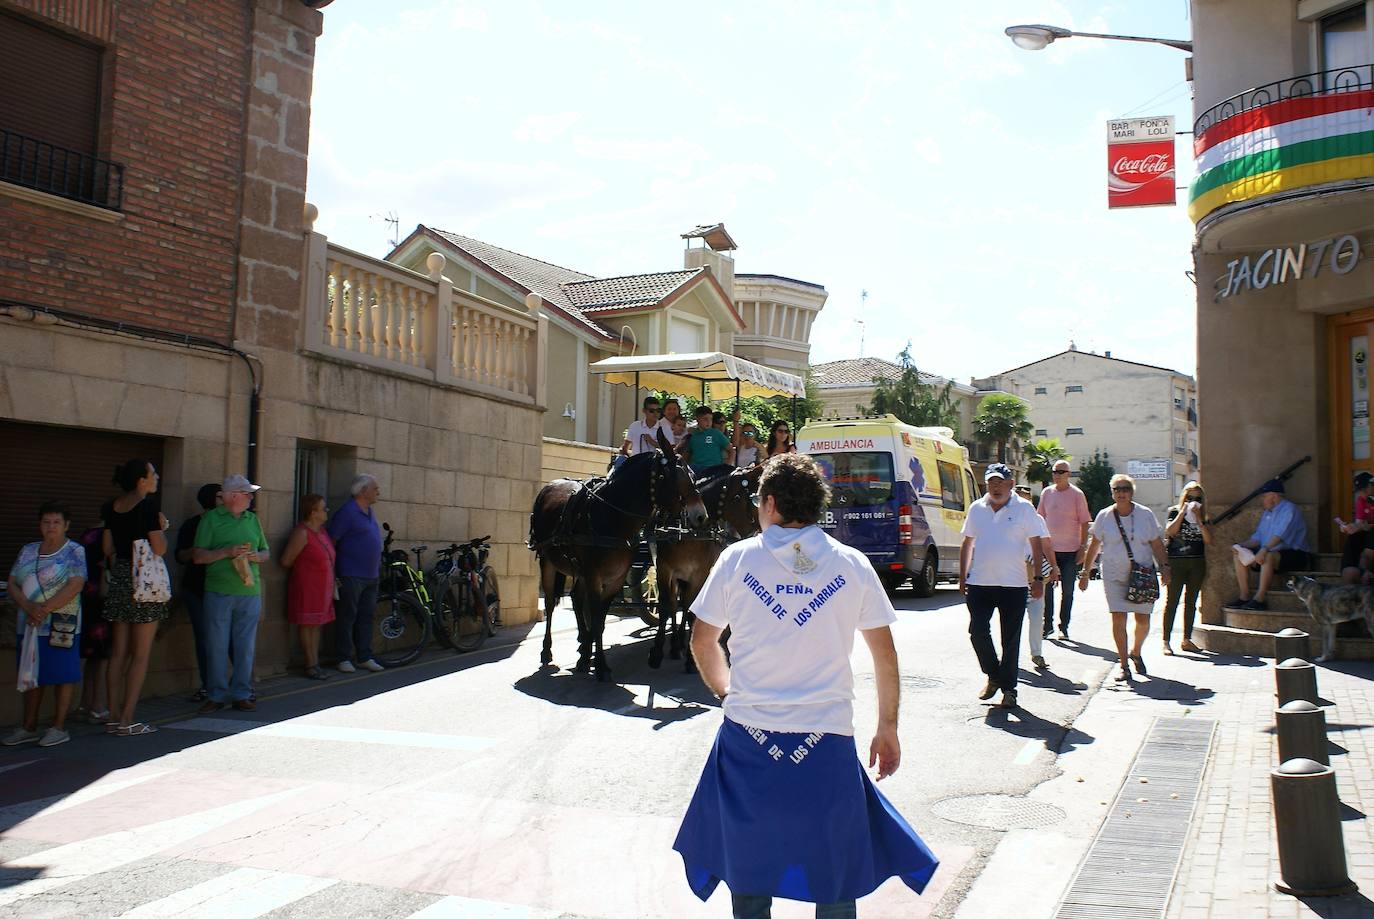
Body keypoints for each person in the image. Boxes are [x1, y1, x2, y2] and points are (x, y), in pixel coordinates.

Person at [675, 453, 939, 915]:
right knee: (833, 870)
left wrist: (726, 692)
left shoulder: (737, 560)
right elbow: (884, 654)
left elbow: (703, 640)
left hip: (748, 739)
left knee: (749, 864)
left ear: (771, 503)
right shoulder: (852, 564)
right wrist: (888, 727)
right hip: (826, 739)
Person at [959, 463, 1046, 709]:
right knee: (977, 631)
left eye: (1000, 482)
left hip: (1014, 584)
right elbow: (968, 542)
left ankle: (1009, 690)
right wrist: (962, 575)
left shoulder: (1024, 509)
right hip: (979, 582)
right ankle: (993, 675)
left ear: (1010, 484)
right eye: (991, 482)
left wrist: (1038, 578)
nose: (995, 487)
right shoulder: (977, 508)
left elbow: (1036, 543)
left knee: (1010, 639)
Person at [4, 502, 86, 747]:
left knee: (62, 673)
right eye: (46, 522)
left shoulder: (75, 551)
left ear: (66, 525)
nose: (51, 527)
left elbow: (76, 584)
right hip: (29, 622)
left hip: (62, 623)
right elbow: (12, 583)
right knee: (30, 674)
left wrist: (44, 609)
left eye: (56, 522)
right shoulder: (28, 550)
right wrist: (30, 608)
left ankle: (58, 726)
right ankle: (28, 726)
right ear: (40, 524)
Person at [102, 458, 170, 736]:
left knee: (118, 653)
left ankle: (113, 716)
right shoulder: (149, 507)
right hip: (144, 581)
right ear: (141, 480)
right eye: (153, 473)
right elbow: (160, 548)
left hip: (119, 576)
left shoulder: (111, 506)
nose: (156, 477)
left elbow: (107, 547)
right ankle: (128, 720)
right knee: (140, 655)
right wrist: (162, 528)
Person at [1079, 474, 1169, 682]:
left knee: (1143, 620)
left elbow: (1156, 544)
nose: (1122, 492)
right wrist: (1085, 572)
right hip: (1113, 574)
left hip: (1142, 574)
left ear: (1132, 491)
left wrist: (1165, 567)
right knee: (1118, 616)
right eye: (1117, 489)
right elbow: (1094, 545)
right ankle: (1123, 664)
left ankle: (1135, 652)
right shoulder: (1104, 516)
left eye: (1125, 488)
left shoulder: (1145, 515)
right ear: (1112, 492)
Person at [193, 474, 269, 712]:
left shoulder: (253, 519)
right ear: (234, 496)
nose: (251, 497)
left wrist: (258, 557)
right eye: (247, 493)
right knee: (216, 645)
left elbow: (266, 551)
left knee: (245, 646)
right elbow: (198, 556)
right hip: (219, 591)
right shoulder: (211, 520)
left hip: (250, 590)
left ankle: (242, 694)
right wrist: (226, 552)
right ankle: (215, 695)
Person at [327, 473, 386, 674]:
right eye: (375, 488)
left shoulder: (369, 511)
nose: (378, 492)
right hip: (350, 574)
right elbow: (332, 542)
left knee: (366, 616)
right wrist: (334, 572)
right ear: (363, 491)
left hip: (370, 574)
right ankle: (343, 657)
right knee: (347, 616)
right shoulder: (347, 512)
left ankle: (364, 656)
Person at [1230, 479, 1310, 611]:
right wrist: (1240, 546)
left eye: (1264, 496)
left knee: (1268, 556)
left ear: (1274, 496)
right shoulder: (1268, 513)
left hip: (1296, 555)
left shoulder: (1290, 509)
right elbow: (1258, 538)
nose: (1262, 500)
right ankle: (1244, 596)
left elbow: (1280, 535)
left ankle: (1260, 599)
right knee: (1239, 555)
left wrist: (1264, 550)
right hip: (1270, 552)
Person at [280, 493, 336, 680]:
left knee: (316, 624)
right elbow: (286, 560)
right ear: (313, 513)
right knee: (307, 624)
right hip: (307, 587)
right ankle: (310, 664)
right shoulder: (302, 532)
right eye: (323, 508)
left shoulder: (322, 531)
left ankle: (315, 662)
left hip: (322, 588)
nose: (326, 511)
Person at [175, 483, 221, 701]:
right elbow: (180, 556)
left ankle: (242, 684)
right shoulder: (192, 525)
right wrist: (196, 551)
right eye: (221, 496)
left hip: (224, 589)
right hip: (196, 589)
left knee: (231, 638)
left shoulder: (231, 523)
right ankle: (208, 685)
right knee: (204, 638)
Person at [1037, 460, 1091, 641]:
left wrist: (1083, 548)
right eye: (1054, 471)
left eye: (1061, 471)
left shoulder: (1077, 494)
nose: (1057, 474)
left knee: (1067, 591)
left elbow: (1085, 522)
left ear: (1068, 474)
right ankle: (1047, 626)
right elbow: (1039, 519)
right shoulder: (1046, 493)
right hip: (1049, 550)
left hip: (1070, 551)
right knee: (1047, 590)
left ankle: (1064, 626)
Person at [1162, 481, 1212, 654]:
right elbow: (1170, 531)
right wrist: (1183, 512)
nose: (1194, 501)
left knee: (1191, 602)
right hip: (1177, 561)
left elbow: (1208, 539)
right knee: (1172, 602)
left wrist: (1198, 519)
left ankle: (1186, 639)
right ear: (1184, 497)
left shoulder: (1204, 515)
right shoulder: (1174, 511)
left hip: (1197, 562)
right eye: (1190, 497)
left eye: (1197, 498)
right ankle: (1166, 641)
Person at [73, 515, 112, 724]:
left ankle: (83, 704)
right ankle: (98, 706)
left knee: (91, 656)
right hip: (104, 598)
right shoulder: (110, 534)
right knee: (103, 656)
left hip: (87, 598)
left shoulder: (87, 534)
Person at [1337, 471, 1374, 585]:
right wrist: (1349, 527)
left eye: (1365, 489)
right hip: (1366, 534)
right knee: (1354, 536)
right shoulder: (1361, 501)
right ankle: (1351, 570)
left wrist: (1365, 526)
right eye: (1360, 491)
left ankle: (1364, 569)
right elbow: (1360, 522)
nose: (1362, 493)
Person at [679, 405, 734, 474]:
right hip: (696, 468)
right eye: (705, 419)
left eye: (710, 419)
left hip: (713, 468)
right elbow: (687, 453)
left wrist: (726, 466)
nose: (708, 422)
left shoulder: (716, 433)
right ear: (697, 419)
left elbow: (731, 451)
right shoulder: (692, 435)